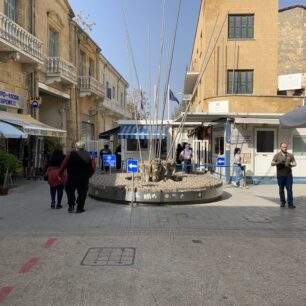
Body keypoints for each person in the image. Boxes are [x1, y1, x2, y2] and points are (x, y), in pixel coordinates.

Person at [59, 141, 96, 213]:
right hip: (84, 178)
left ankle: (71, 205)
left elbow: (64, 164)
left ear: (76, 147)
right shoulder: (88, 155)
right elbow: (93, 167)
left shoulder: (71, 154)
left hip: (72, 177)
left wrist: (60, 173)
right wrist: (89, 174)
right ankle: (79, 208)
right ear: (84, 147)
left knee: (70, 191)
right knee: (82, 193)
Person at [271, 142, 297, 208]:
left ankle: (290, 204)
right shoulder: (277, 155)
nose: (285, 148)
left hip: (289, 175)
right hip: (280, 175)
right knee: (281, 189)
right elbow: (272, 163)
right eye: (283, 147)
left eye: (286, 147)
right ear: (281, 147)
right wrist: (278, 162)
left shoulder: (290, 155)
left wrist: (292, 165)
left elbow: (294, 162)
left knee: (289, 189)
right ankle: (282, 202)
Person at [43, 144, 66, 209]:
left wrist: (44, 172)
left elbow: (45, 164)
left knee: (52, 188)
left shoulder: (50, 156)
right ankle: (59, 204)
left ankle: (53, 201)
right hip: (60, 174)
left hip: (51, 173)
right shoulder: (64, 156)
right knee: (60, 189)